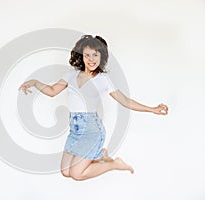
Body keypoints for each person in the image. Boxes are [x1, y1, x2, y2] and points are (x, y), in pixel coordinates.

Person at [18, 35, 168, 181]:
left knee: (77, 174)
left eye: (95, 55)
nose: (91, 59)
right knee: (65, 172)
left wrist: (152, 109)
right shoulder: (71, 75)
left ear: (101, 57)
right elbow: (52, 91)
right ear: (81, 56)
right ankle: (101, 156)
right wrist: (35, 82)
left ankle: (113, 164)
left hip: (92, 130)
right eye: (87, 55)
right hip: (75, 130)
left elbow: (124, 100)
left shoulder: (103, 79)